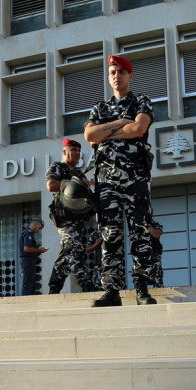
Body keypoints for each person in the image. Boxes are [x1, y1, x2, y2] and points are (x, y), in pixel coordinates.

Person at [84, 54, 156, 307]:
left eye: (121, 72)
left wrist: (105, 134)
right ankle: (111, 290)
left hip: (135, 176)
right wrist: (120, 123)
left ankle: (142, 288)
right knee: (110, 233)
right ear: (109, 77)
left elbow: (138, 129)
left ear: (130, 76)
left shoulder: (141, 101)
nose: (117, 76)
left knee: (140, 232)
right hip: (106, 180)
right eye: (113, 72)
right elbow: (89, 135)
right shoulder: (99, 108)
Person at [45, 139, 96, 293]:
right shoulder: (57, 167)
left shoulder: (79, 172)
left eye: (79, 151)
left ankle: (54, 287)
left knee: (67, 253)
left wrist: (90, 186)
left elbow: (87, 191)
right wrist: (72, 184)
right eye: (73, 150)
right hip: (64, 217)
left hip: (78, 218)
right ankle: (85, 283)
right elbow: (50, 185)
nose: (77, 153)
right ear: (64, 152)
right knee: (75, 246)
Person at [18, 218, 47, 296]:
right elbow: (27, 248)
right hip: (27, 260)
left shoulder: (27, 233)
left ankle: (29, 298)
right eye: (39, 228)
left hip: (28, 261)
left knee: (31, 282)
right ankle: (25, 300)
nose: (39, 230)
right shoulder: (28, 233)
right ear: (35, 224)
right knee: (28, 283)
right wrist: (39, 250)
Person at [84, 227, 103, 292]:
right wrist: (96, 244)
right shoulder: (95, 234)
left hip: (112, 264)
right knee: (97, 287)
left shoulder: (113, 231)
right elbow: (87, 250)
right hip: (99, 265)